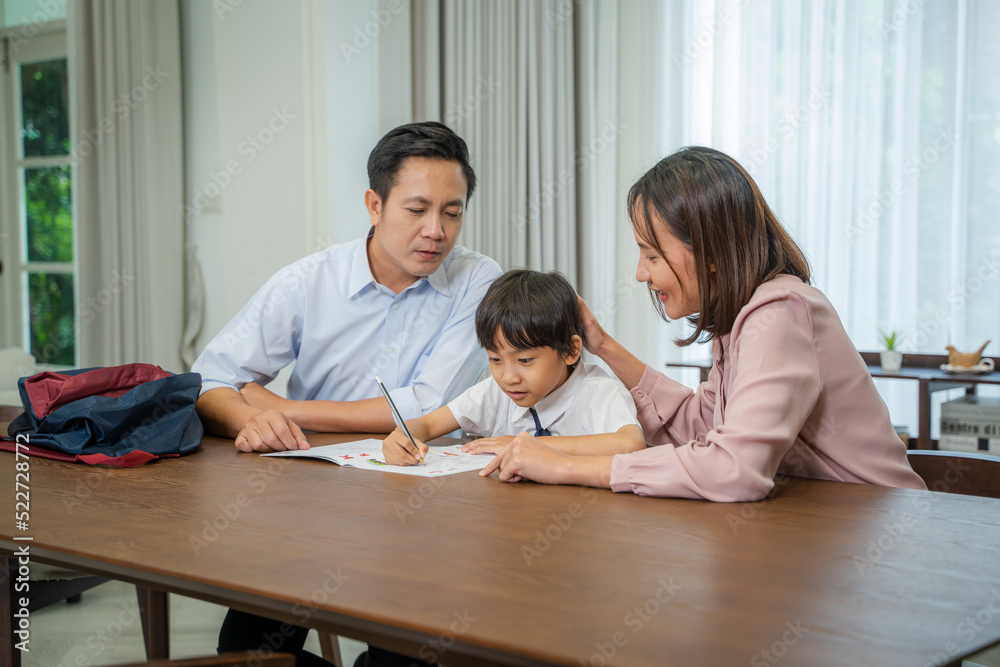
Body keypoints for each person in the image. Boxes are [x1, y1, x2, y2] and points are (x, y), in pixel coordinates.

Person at [197, 121, 502, 667]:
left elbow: (427, 404)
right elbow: (209, 379)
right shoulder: (309, 280)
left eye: (452, 212)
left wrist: (285, 408)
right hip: (310, 503)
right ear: (374, 205)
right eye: (417, 209)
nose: (436, 230)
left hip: (425, 507)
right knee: (243, 656)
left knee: (401, 661)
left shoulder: (477, 280)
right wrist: (249, 418)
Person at [480, 146, 926, 500]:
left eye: (652, 254)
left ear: (709, 252)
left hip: (878, 526)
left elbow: (734, 469)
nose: (641, 273)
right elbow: (700, 425)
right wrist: (603, 344)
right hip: (825, 521)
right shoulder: (744, 320)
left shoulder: (779, 314)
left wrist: (565, 467)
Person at [382, 269, 645, 466]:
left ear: (570, 350)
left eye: (525, 361)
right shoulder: (495, 393)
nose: (508, 377)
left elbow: (630, 445)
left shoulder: (600, 392)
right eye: (495, 359)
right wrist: (402, 437)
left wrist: (528, 445)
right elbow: (427, 424)